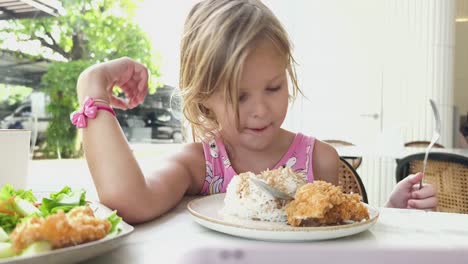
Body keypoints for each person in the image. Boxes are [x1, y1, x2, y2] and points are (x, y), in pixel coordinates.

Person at [74, 0, 437, 224]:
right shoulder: (199, 165)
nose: (260, 109)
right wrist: (93, 87)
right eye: (238, 95)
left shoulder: (321, 160)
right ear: (204, 97)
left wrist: (391, 211)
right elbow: (128, 201)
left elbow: (345, 230)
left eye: (274, 87)